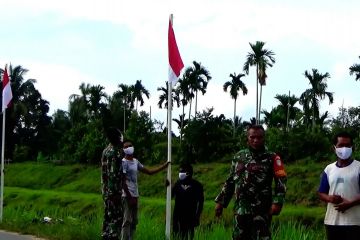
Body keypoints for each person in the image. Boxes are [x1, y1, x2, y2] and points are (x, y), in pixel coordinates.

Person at [214, 125, 287, 240]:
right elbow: (230, 181)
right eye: (252, 137)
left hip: (261, 209)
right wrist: (221, 202)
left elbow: (281, 181)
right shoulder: (239, 156)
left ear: (264, 138)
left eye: (259, 137)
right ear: (247, 138)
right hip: (241, 209)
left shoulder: (272, 157)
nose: (256, 140)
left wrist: (278, 202)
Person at [121, 140, 169, 240]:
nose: (129, 147)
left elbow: (149, 171)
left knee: (134, 220)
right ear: (123, 149)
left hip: (135, 194)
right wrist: (130, 197)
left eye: (130, 145)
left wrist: (164, 166)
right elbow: (123, 181)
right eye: (126, 146)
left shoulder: (135, 161)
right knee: (127, 220)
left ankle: (131, 237)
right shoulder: (123, 162)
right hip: (127, 195)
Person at [318, 131, 360, 240]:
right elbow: (321, 192)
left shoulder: (358, 167)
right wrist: (329, 198)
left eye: (348, 145)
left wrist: (350, 204)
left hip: (355, 222)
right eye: (341, 145)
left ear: (352, 147)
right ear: (334, 148)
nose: (344, 148)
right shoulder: (329, 169)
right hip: (332, 222)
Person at [101, 127, 126, 240]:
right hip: (113, 192)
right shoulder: (115, 153)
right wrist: (115, 193)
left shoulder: (105, 150)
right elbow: (113, 174)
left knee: (107, 218)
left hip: (105, 192)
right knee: (115, 220)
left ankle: (105, 236)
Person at [172, 163, 204, 240]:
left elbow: (201, 202)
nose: (180, 174)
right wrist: (168, 187)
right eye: (179, 172)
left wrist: (197, 216)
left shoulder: (197, 185)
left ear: (188, 173)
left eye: (182, 172)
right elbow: (170, 196)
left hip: (190, 217)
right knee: (177, 236)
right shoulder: (177, 184)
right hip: (178, 217)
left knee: (188, 237)